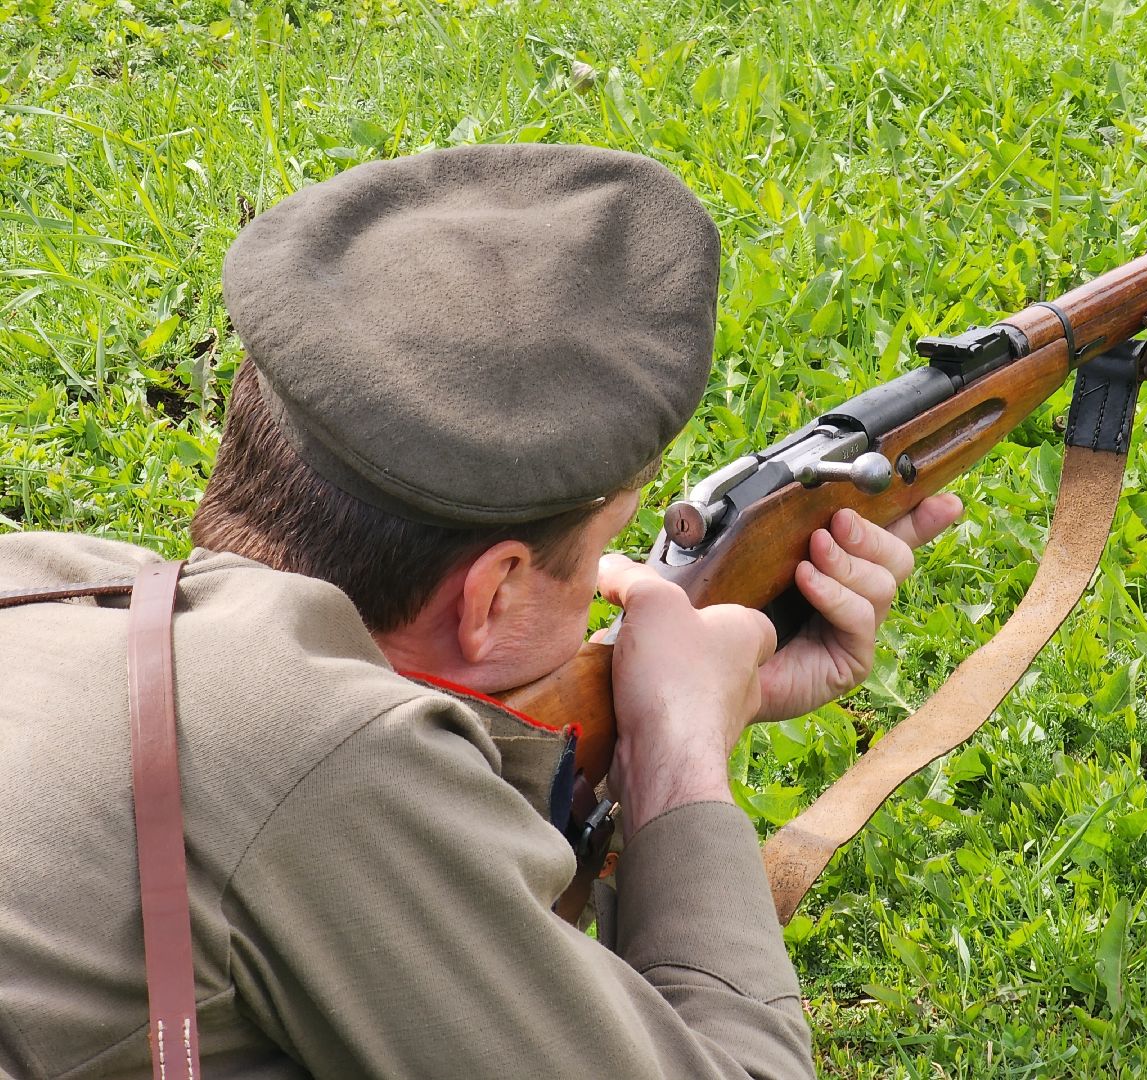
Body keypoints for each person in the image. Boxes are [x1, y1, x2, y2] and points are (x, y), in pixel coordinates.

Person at [0, 144, 962, 1079]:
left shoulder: (49, 581)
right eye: (613, 544)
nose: (615, 580)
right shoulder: (331, 773)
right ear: (492, 592)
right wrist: (678, 755)